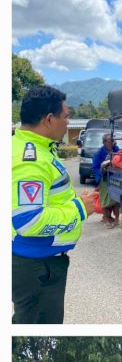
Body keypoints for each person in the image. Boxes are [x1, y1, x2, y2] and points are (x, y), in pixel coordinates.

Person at [12, 85, 96, 324]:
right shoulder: (31, 160)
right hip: (37, 267)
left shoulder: (36, 148)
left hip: (37, 264)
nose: (68, 123)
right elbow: (28, 221)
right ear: (49, 119)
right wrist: (79, 208)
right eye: (66, 116)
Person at [92, 133, 120, 227]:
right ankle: (106, 218)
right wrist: (103, 172)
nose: (112, 142)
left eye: (113, 141)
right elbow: (95, 167)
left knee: (116, 199)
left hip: (115, 177)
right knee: (105, 199)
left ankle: (117, 219)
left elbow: (121, 157)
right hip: (104, 178)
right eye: (110, 141)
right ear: (104, 142)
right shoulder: (99, 153)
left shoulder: (116, 149)